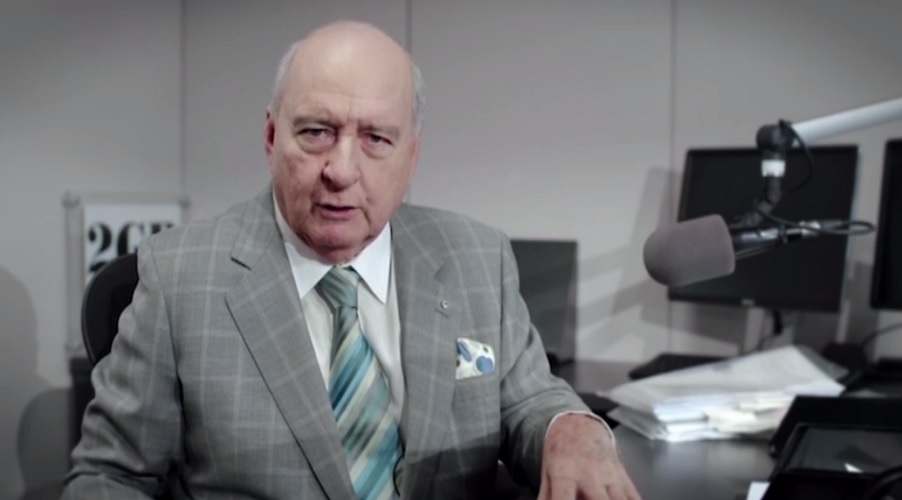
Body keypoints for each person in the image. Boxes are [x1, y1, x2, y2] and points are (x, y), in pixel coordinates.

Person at [63, 21, 640, 500]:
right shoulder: (178, 276)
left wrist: (571, 428)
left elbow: (532, 399)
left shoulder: (477, 257)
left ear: (411, 157)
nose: (341, 170)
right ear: (271, 138)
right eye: (316, 132)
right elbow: (109, 476)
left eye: (376, 139)